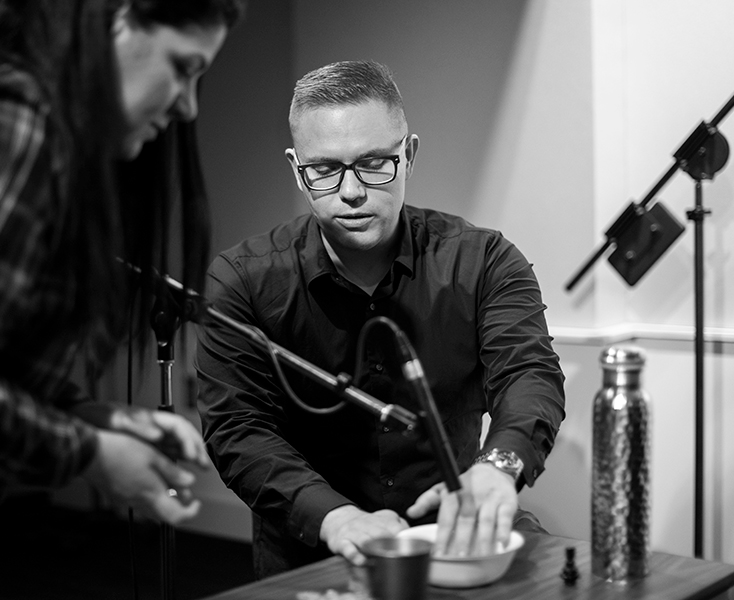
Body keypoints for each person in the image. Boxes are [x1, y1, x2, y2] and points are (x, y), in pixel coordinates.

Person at [0, 0, 244, 598]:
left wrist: (93, 416)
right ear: (118, 18)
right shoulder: (7, 121)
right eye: (183, 67)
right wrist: (93, 455)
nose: (188, 105)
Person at [195, 60, 566, 578]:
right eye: (325, 169)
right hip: (314, 544)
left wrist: (498, 469)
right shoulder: (242, 280)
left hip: (454, 528)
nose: (351, 192)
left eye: (374, 164)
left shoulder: (485, 262)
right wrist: (336, 517)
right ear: (296, 168)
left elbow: (530, 374)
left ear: (409, 154)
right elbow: (238, 427)